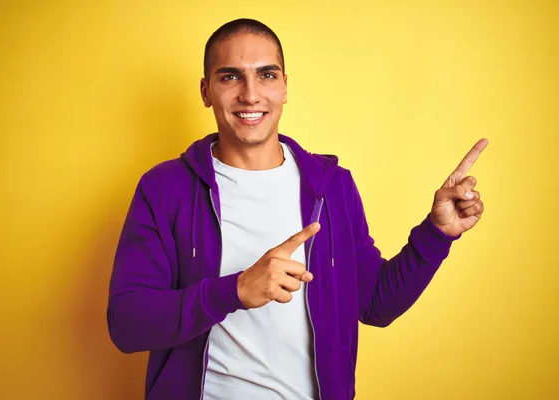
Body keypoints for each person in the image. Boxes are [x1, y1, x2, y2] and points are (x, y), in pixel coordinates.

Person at [106, 18, 487, 400]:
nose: (251, 95)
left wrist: (437, 234)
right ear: (206, 91)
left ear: (285, 86)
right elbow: (127, 324)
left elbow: (375, 304)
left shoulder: (332, 186)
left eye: (266, 75)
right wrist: (235, 290)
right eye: (230, 77)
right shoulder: (164, 188)